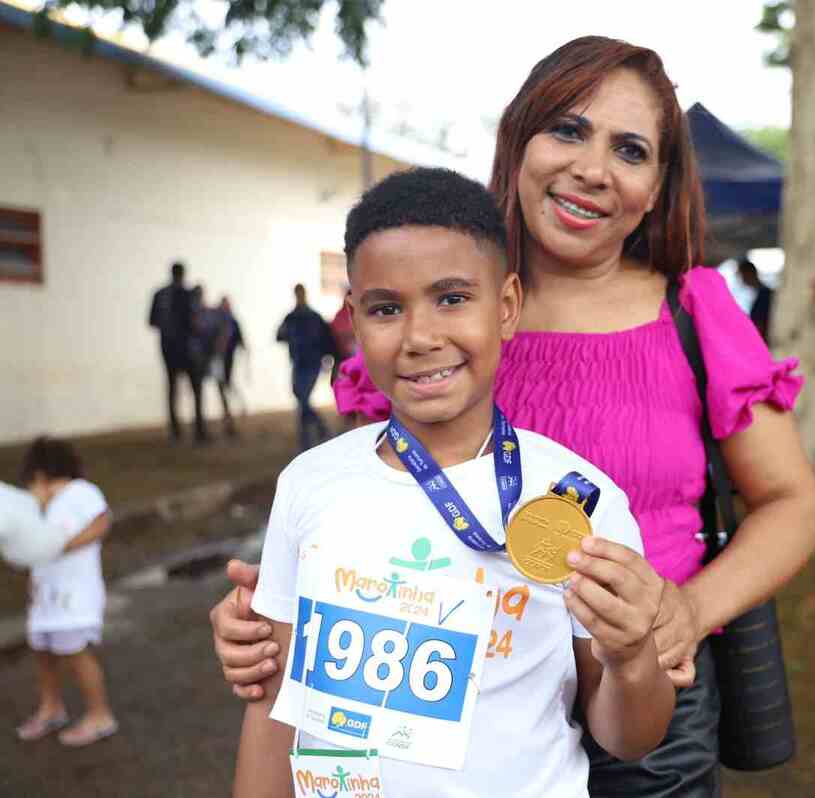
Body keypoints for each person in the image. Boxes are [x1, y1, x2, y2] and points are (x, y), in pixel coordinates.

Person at [213, 36, 815, 797]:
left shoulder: (695, 311)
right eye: (568, 129)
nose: (593, 169)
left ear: (658, 183)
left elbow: (793, 504)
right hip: (455, 694)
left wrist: (684, 612)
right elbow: (356, 511)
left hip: (642, 696)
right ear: (519, 137)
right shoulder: (437, 312)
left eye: (630, 150)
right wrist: (267, 621)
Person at [232, 168, 674, 796]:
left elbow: (628, 737)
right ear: (355, 322)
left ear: (507, 307)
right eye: (387, 309)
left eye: (452, 298)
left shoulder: (580, 498)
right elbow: (274, 702)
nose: (420, 337)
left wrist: (631, 658)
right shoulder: (309, 484)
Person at [15, 437, 119, 747]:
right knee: (43, 652)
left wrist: (62, 546)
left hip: (75, 596)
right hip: (46, 597)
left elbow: (102, 523)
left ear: (41, 474)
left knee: (77, 653)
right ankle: (51, 708)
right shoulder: (40, 506)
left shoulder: (80, 492)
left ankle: (100, 715)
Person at [148, 261, 207, 444]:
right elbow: (196, 323)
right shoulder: (189, 295)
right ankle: (198, 431)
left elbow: (152, 321)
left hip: (168, 348)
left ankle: (175, 432)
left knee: (172, 388)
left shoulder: (159, 294)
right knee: (196, 388)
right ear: (183, 274)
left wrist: (168, 329)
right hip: (188, 349)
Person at [275, 283, 335, 450]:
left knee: (302, 400)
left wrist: (327, 359)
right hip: (298, 363)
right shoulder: (292, 317)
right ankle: (318, 431)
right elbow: (279, 335)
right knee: (302, 399)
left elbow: (327, 339)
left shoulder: (313, 317)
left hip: (312, 363)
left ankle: (307, 440)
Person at [191, 285, 237, 438]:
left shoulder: (210, 313)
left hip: (211, 358)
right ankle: (205, 428)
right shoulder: (203, 314)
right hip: (205, 358)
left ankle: (227, 424)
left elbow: (227, 328)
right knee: (206, 392)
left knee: (218, 389)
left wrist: (219, 347)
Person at [215, 296, 246, 423]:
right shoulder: (218, 320)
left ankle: (234, 408)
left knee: (226, 383)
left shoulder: (232, 321)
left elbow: (240, 339)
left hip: (228, 358)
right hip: (218, 358)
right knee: (222, 384)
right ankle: (228, 411)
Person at [736, 256, 774, 344]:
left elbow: (760, 323)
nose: (741, 279)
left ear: (749, 273)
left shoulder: (765, 294)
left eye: (741, 275)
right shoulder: (762, 293)